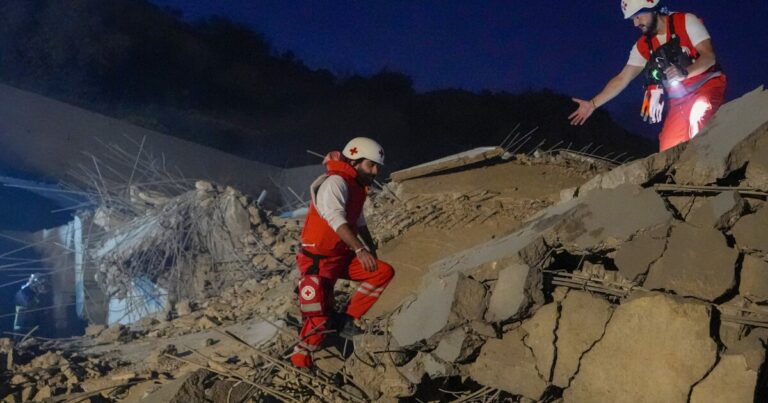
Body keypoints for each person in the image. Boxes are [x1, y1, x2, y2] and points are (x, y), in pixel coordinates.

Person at [291, 137, 395, 369]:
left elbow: (358, 221)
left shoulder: (356, 186)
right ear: (355, 161)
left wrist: (370, 250)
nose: (375, 171)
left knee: (381, 272)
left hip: (339, 257)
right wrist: (360, 249)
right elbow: (336, 218)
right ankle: (299, 362)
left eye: (377, 166)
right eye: (371, 165)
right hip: (317, 261)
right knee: (317, 317)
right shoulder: (335, 182)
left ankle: (346, 320)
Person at [569, 0, 726, 151]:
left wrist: (684, 72)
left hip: (707, 85)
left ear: (652, 7)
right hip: (679, 100)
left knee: (699, 116)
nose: (635, 24)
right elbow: (622, 78)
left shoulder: (686, 21)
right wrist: (593, 104)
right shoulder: (642, 45)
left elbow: (709, 57)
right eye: (632, 19)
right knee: (668, 148)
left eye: (638, 16)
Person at [13, 274, 47, 340]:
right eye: (41, 285)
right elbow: (28, 305)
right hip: (22, 327)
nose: (42, 288)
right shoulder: (24, 293)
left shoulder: (32, 294)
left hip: (31, 326)